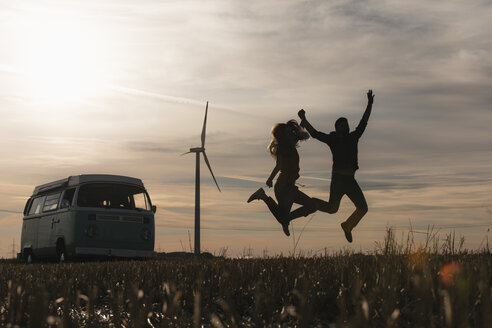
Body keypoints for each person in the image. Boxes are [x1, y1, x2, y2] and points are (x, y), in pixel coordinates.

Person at [298, 90, 374, 242]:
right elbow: (315, 134)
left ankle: (347, 225)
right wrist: (304, 120)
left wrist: (369, 103)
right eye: (342, 125)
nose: (345, 127)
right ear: (337, 127)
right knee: (332, 209)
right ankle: (313, 202)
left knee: (363, 208)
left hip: (350, 180)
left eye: (346, 125)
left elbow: (364, 121)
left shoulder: (354, 136)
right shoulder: (332, 139)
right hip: (338, 180)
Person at [247, 119, 317, 236]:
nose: (290, 134)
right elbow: (278, 165)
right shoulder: (281, 149)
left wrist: (302, 123)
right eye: (287, 133)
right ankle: (266, 199)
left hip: (290, 186)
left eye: (291, 132)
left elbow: (303, 134)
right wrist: (270, 179)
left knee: (312, 206)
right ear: (282, 135)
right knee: (289, 215)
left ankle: (264, 198)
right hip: (283, 187)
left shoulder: (291, 144)